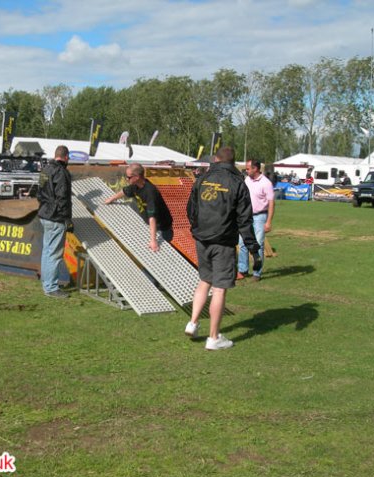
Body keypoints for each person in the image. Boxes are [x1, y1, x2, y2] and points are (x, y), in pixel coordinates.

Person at [185, 147, 261, 350]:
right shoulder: (238, 183)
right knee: (219, 289)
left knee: (204, 281)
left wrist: (197, 228)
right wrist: (254, 250)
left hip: (202, 239)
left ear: (216, 159)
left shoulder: (202, 179)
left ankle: (192, 323)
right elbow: (245, 220)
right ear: (233, 162)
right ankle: (213, 337)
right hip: (223, 242)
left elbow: (190, 209)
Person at [104, 163, 173, 252]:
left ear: (136, 177)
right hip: (150, 225)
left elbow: (152, 217)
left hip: (162, 229)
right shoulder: (135, 186)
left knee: (157, 252)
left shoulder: (150, 192)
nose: (126, 179)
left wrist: (153, 241)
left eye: (128, 177)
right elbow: (124, 191)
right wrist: (111, 199)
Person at [37, 145, 73, 299]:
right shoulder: (61, 172)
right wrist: (67, 219)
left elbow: (39, 193)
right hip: (56, 217)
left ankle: (47, 283)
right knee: (54, 254)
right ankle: (51, 287)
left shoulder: (45, 170)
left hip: (44, 214)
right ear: (66, 157)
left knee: (47, 251)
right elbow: (62, 198)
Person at [237, 159, 275, 282]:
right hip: (246, 217)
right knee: (242, 243)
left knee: (258, 245)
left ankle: (257, 273)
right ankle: (242, 270)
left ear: (256, 169)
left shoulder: (266, 183)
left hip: (260, 217)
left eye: (248, 168)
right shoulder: (246, 180)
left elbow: (271, 203)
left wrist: (268, 222)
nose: (246, 170)